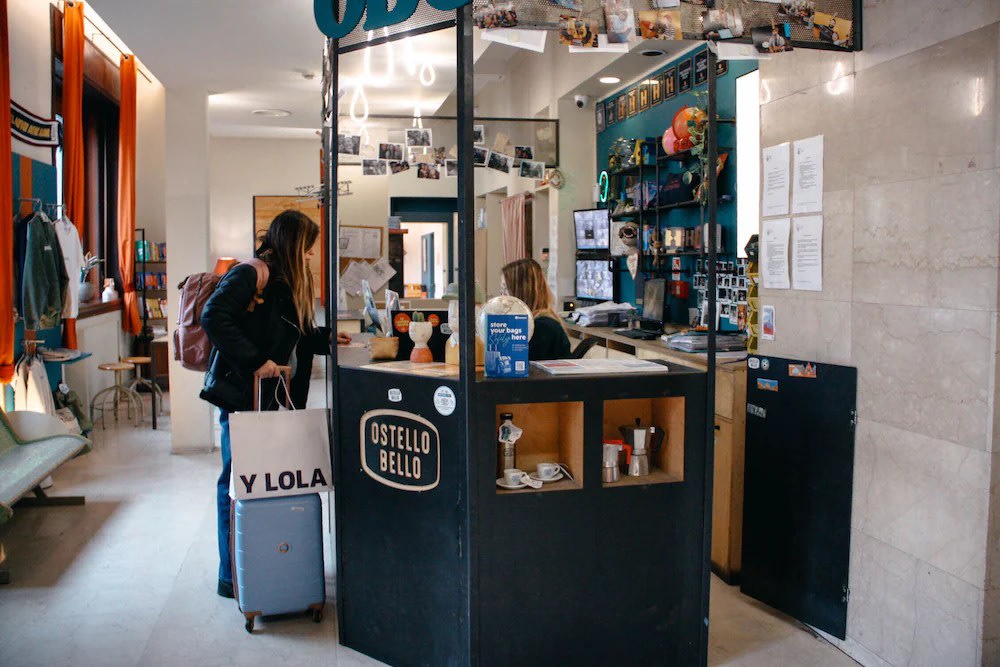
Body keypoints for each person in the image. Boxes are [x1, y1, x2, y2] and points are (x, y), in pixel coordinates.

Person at [199, 209, 350, 599]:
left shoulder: (285, 279)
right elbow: (213, 316)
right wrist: (256, 362)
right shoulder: (252, 274)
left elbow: (293, 332)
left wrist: (327, 338)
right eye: (308, 247)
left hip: (270, 399)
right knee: (237, 482)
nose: (311, 255)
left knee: (259, 481)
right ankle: (232, 576)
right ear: (292, 243)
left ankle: (263, 564)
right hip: (243, 396)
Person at [500, 258, 570, 361]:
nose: (502, 296)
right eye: (501, 289)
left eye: (505, 289)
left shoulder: (542, 327)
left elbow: (517, 363)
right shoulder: (537, 322)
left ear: (522, 291)